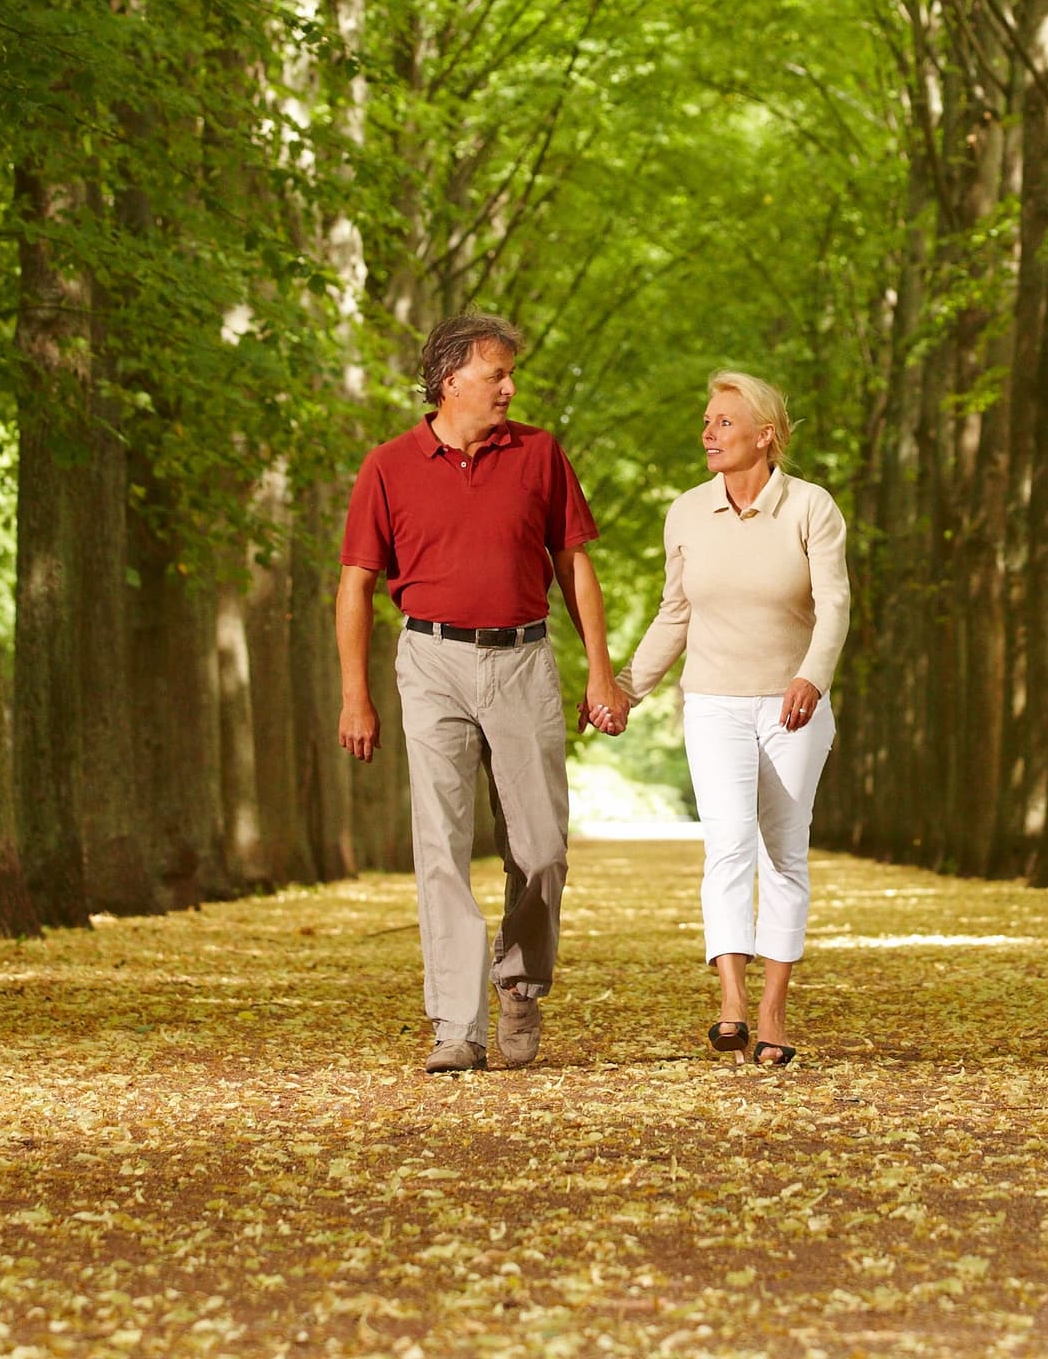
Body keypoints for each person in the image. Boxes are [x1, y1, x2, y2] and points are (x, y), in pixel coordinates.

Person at [336, 312, 622, 1074]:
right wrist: (354, 695)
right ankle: (454, 1024)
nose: (510, 387)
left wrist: (600, 669)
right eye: (497, 373)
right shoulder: (388, 465)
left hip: (524, 658)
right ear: (449, 378)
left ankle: (520, 982)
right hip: (428, 659)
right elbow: (357, 584)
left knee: (542, 847)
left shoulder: (539, 454)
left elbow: (575, 565)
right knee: (440, 845)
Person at [595, 370, 848, 1068]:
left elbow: (835, 605)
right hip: (712, 703)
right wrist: (624, 689)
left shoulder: (810, 508)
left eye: (724, 423)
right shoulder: (685, 512)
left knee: (783, 854)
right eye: (707, 422)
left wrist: (812, 677)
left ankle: (774, 1009)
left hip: (793, 706)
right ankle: (731, 1002)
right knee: (729, 844)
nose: (709, 433)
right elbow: (674, 614)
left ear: (765, 436)